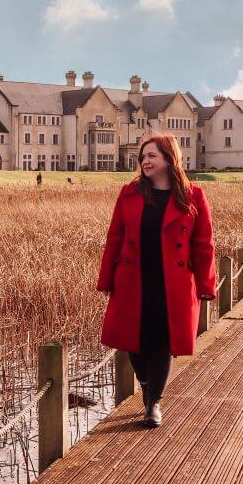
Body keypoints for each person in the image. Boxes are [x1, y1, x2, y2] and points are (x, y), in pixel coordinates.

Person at [95, 133, 216, 427]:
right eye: (143, 156)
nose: (145, 161)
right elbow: (115, 237)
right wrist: (106, 277)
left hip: (173, 281)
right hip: (133, 278)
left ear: (169, 158)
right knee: (133, 341)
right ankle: (148, 385)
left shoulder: (193, 196)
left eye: (152, 156)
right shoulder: (129, 193)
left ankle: (153, 403)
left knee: (163, 340)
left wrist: (206, 284)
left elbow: (204, 244)